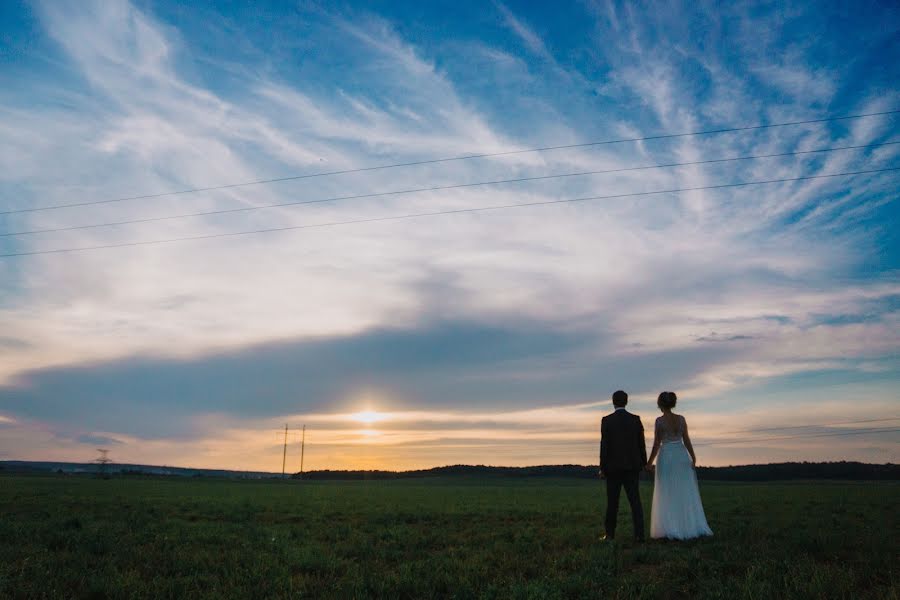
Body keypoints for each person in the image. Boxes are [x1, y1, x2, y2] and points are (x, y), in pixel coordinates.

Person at [645, 391, 713, 540]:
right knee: (684, 490)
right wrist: (693, 457)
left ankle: (671, 527)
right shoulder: (681, 419)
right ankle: (688, 525)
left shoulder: (659, 421)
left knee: (667, 491)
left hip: (667, 456)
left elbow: (657, 443)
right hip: (681, 455)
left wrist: (649, 462)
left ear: (660, 404)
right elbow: (686, 439)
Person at [598, 390, 647, 541]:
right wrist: (643, 463)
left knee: (612, 503)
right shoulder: (635, 419)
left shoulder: (607, 420)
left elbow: (604, 445)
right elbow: (641, 444)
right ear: (626, 402)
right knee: (635, 502)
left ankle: (610, 535)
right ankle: (639, 535)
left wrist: (602, 467)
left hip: (612, 469)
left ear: (613, 402)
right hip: (632, 467)